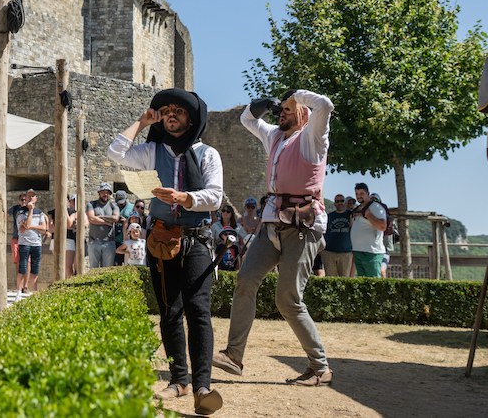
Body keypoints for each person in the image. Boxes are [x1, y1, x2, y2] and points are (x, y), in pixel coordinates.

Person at [108, 88, 224, 414]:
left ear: (191, 118)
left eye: (179, 111)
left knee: (198, 312)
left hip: (197, 239)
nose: (171, 114)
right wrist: (141, 121)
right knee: (169, 311)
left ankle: (202, 387)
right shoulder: (150, 150)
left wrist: (184, 198)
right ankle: (179, 380)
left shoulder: (208, 154)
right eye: (167, 110)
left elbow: (214, 197)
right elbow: (116, 152)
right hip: (161, 239)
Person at [213, 89, 334, 388]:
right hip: (272, 223)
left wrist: (297, 95)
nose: (282, 112)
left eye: (289, 109)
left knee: (288, 300)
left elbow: (326, 105)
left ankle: (320, 368)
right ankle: (233, 355)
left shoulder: (313, 138)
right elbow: (247, 120)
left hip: (304, 227)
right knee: (246, 279)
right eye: (280, 109)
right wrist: (261, 107)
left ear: (304, 113)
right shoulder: (274, 137)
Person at [14, 190, 46, 300]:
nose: (31, 198)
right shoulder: (20, 211)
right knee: (22, 268)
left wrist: (29, 227)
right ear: (26, 199)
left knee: (35, 268)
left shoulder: (40, 212)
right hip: (24, 243)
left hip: (37, 244)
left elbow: (43, 228)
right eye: (29, 196)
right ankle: (19, 292)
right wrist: (30, 210)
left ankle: (35, 291)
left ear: (36, 199)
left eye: (33, 196)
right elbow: (26, 224)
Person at [350, 184, 387, 278]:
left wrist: (368, 215)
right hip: (358, 251)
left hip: (372, 252)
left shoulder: (376, 207)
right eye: (357, 194)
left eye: (361, 193)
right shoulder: (357, 209)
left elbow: (383, 226)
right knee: (363, 284)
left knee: (373, 284)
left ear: (368, 193)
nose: (359, 196)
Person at [86, 182, 119, 270]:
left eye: (108, 193)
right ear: (99, 193)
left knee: (107, 271)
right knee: (93, 270)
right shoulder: (92, 204)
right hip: (94, 242)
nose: (106, 194)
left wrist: (100, 217)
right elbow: (91, 219)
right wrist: (108, 222)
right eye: (103, 192)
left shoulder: (113, 206)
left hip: (109, 242)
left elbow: (115, 218)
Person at [323, 194, 353, 277]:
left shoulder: (351, 215)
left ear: (345, 202)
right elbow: (323, 232)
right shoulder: (329, 216)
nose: (340, 203)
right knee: (330, 280)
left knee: (345, 280)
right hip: (329, 252)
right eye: (337, 201)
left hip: (346, 253)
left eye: (342, 201)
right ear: (334, 204)